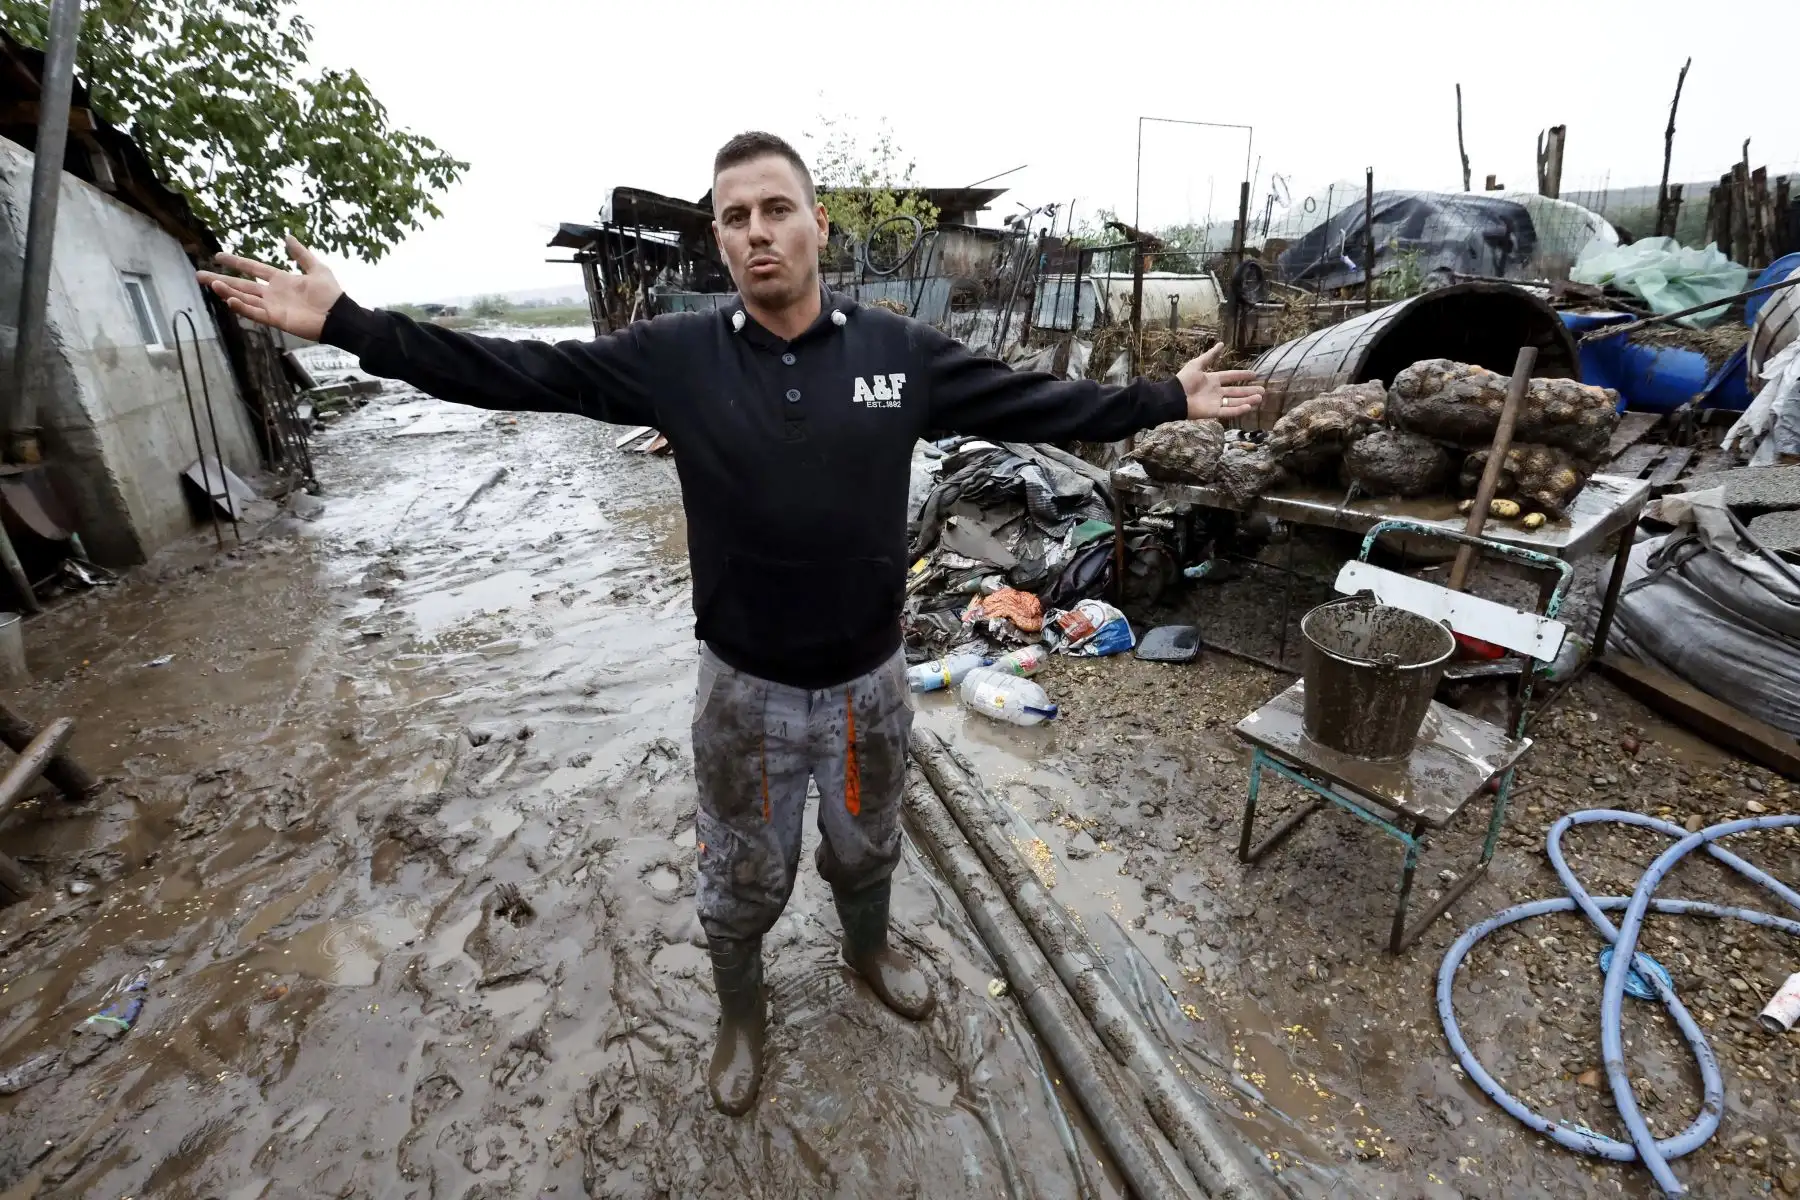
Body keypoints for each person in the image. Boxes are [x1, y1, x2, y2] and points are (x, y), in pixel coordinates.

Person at [198, 130, 1263, 1117]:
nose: (757, 231)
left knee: (864, 845)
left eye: (776, 209)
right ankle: (742, 1015)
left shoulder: (900, 355)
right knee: (741, 875)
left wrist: (1163, 398)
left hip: (869, 691)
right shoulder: (678, 359)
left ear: (817, 227)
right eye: (735, 216)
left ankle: (866, 952)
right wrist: (348, 325)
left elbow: (1034, 401)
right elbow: (518, 371)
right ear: (719, 237)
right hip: (742, 694)